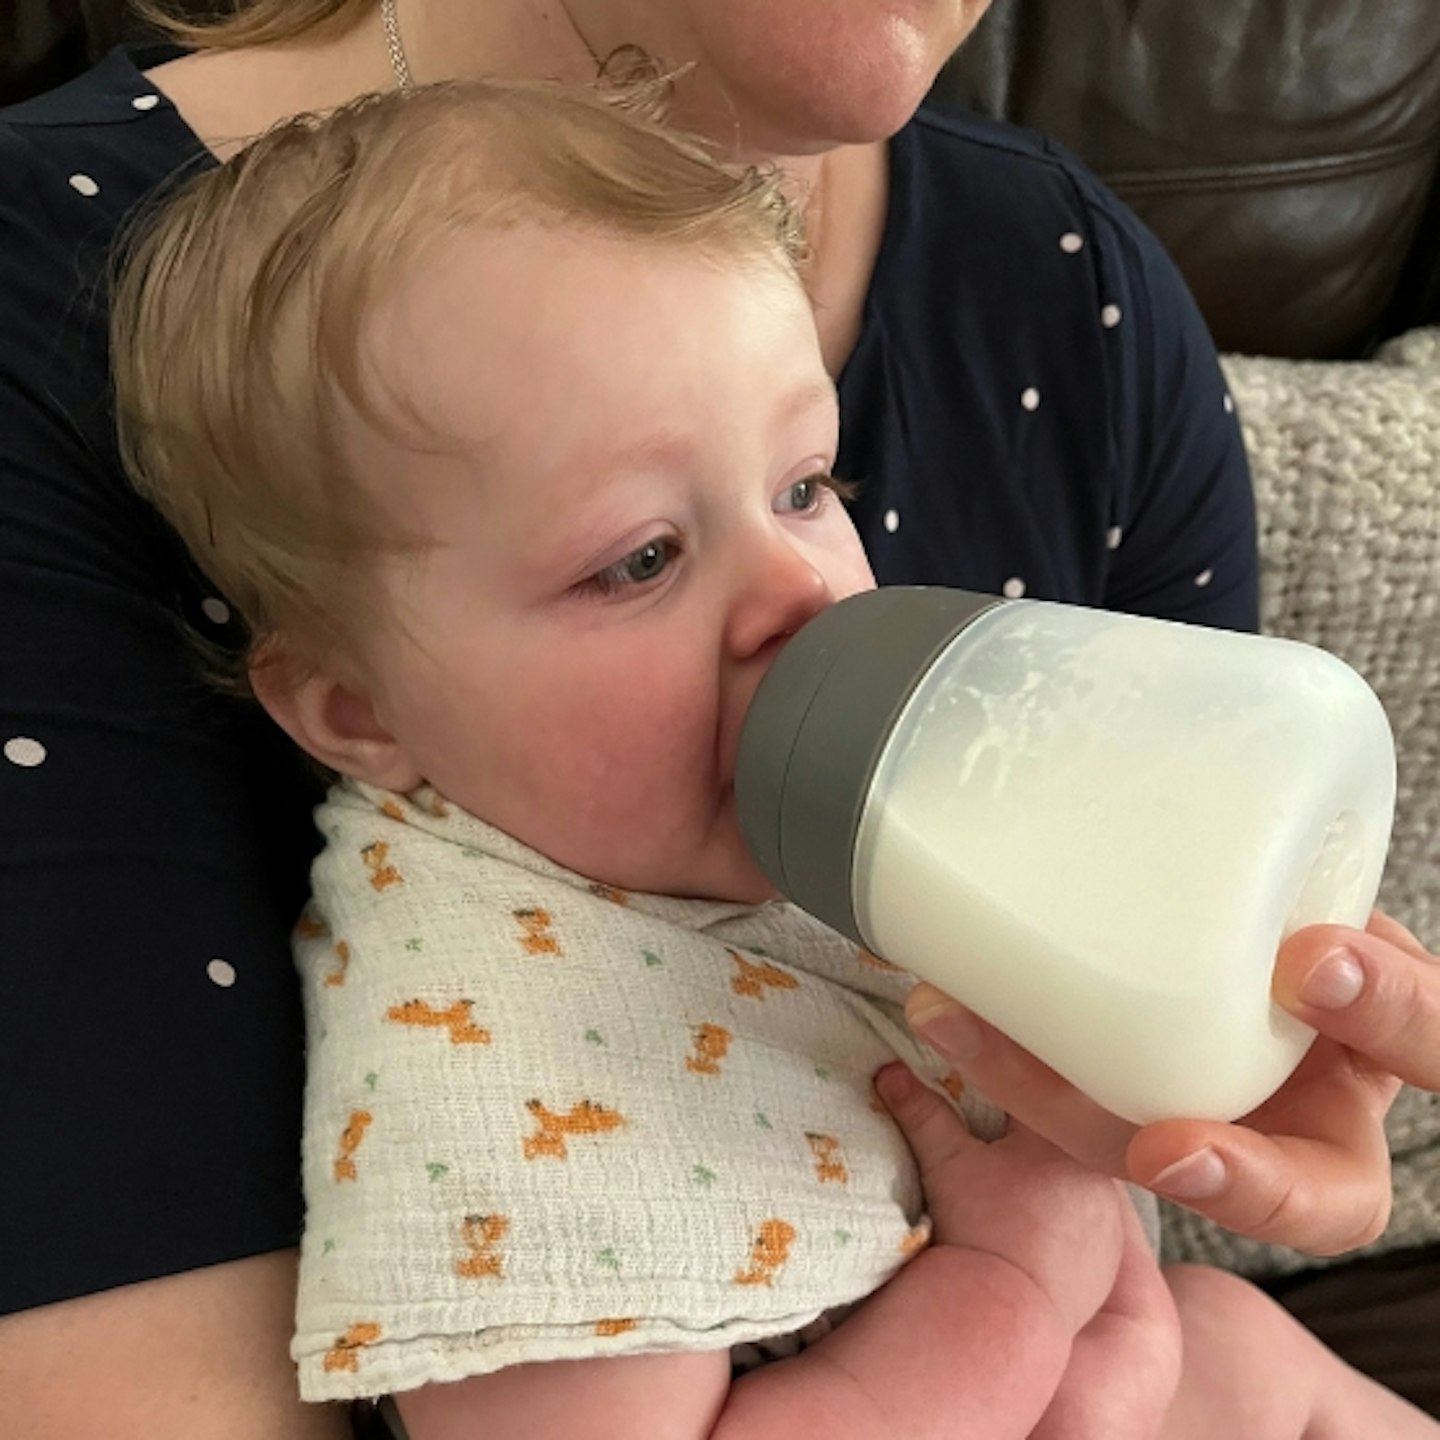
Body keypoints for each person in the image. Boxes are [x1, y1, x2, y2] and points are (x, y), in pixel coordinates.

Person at [0, 1, 1435, 1435]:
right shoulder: (511, 1095)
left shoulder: (1066, 290)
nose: (799, 591)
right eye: (639, 559)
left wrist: (1238, 1031)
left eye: (807, 485)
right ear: (359, 711)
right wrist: (1006, 1290)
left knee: (1246, 1345)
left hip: (1100, 1339)